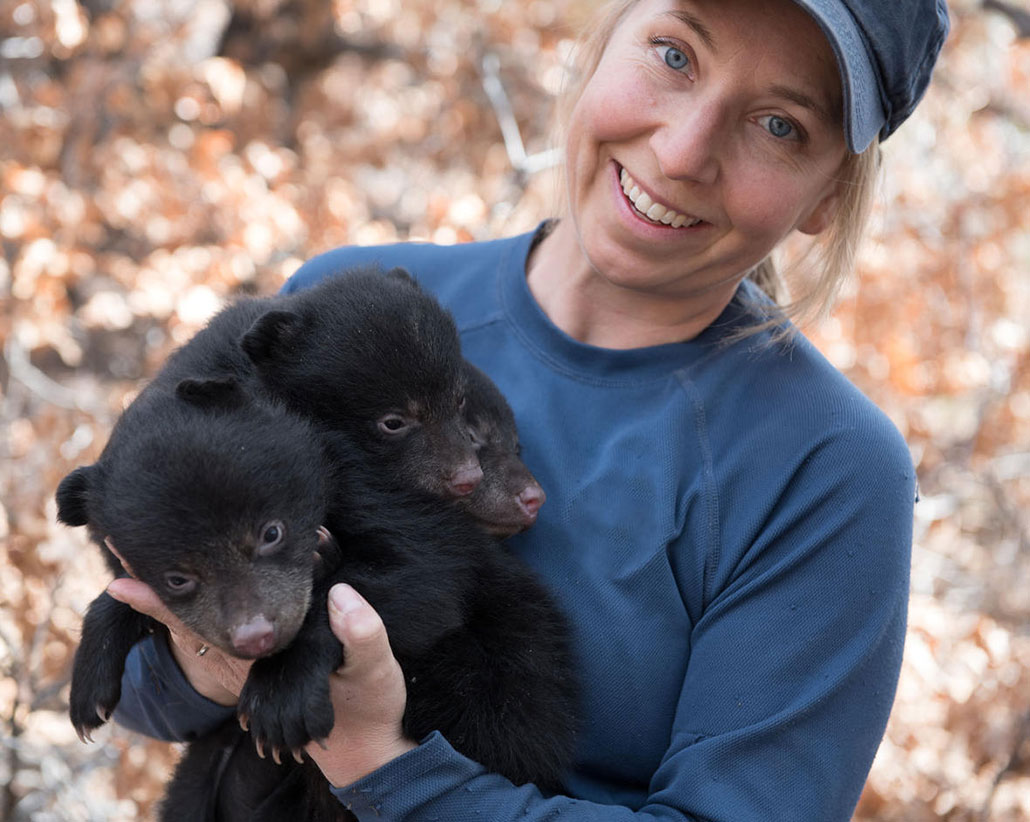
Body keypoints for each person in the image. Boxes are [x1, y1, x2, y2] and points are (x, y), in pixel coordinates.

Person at [107, 0, 950, 818]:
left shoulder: (824, 466)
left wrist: (383, 766)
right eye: (674, 54)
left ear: (828, 196)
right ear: (604, 39)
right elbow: (140, 693)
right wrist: (214, 665)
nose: (686, 150)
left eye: (780, 125)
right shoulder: (353, 314)